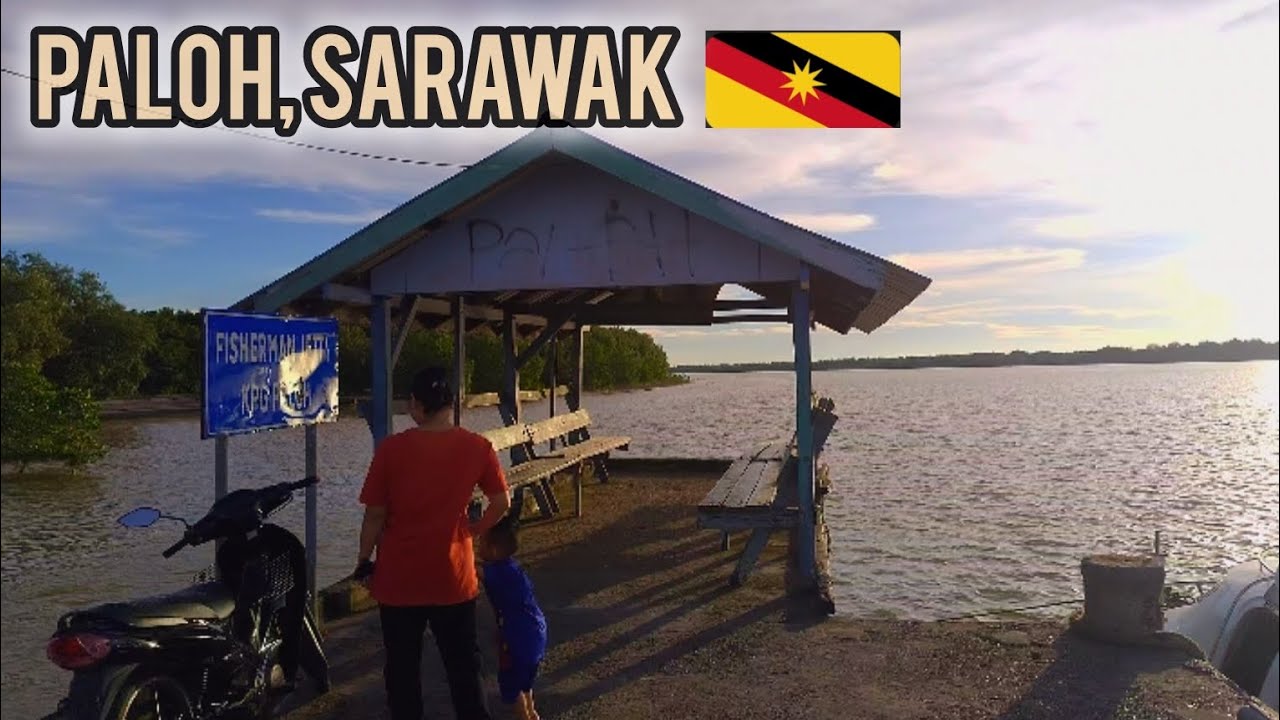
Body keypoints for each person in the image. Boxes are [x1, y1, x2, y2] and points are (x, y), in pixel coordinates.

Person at [354, 367, 511, 720]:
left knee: (402, 670)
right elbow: (502, 502)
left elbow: (375, 515)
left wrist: (364, 559)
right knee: (464, 667)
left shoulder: (391, 450)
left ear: (415, 404)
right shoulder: (477, 446)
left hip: (399, 580)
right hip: (453, 576)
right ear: (451, 403)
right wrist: (472, 531)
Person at [477, 512, 547, 720]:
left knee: (512, 682)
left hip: (518, 634)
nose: (477, 547)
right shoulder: (512, 568)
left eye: (481, 543)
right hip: (536, 629)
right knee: (524, 679)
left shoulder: (498, 573)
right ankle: (532, 713)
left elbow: (473, 569)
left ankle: (523, 717)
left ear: (494, 550)